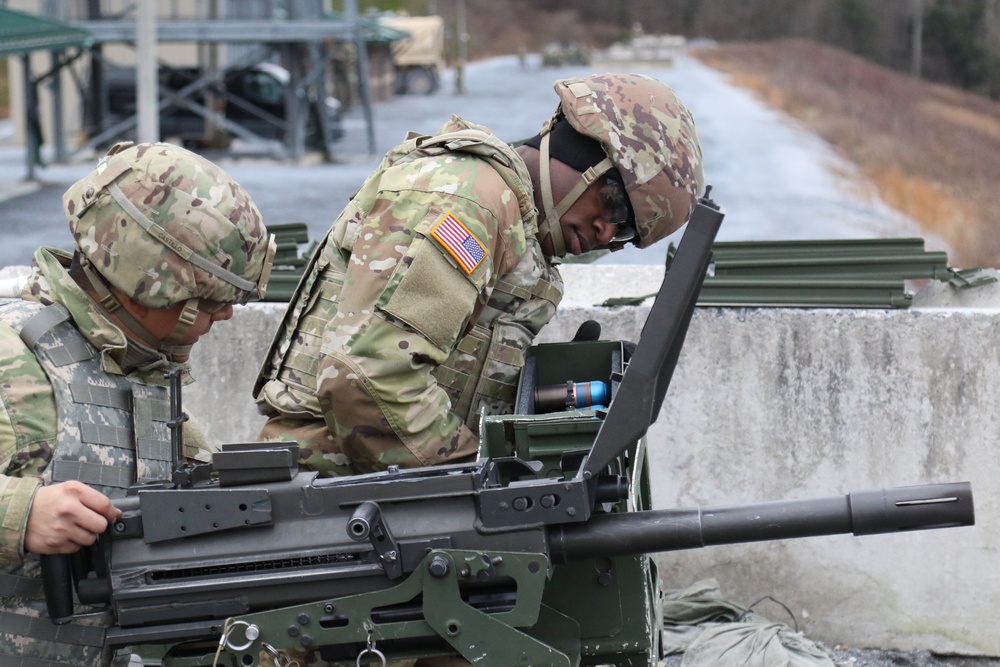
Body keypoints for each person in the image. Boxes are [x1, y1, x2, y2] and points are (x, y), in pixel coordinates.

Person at [254, 72, 704, 477]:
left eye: (626, 232)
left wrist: (533, 393)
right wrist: (482, 477)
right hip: (330, 494)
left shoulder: (515, 223)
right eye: (614, 205)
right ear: (582, 157)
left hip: (370, 490)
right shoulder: (469, 202)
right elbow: (368, 376)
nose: (608, 232)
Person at [0, 141, 275, 667]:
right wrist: (19, 513)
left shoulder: (133, 364)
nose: (224, 318)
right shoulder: (14, 357)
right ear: (147, 285)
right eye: (212, 300)